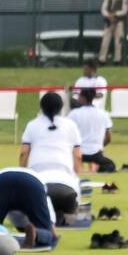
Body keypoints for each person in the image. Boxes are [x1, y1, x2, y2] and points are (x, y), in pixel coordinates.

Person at [21, 91, 83, 222]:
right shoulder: (70, 125)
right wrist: (75, 177)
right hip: (67, 188)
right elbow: (78, 156)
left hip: (37, 187)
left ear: (41, 107)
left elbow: (24, 153)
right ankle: (58, 213)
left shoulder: (32, 125)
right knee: (70, 209)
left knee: (35, 206)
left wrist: (24, 174)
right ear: (61, 107)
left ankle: (49, 213)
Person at [0, 166, 56, 248]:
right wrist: (49, 234)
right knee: (46, 233)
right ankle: (37, 233)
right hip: (31, 183)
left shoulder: (16, 218)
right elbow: (51, 226)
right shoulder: (43, 188)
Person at [71, 88, 115, 173]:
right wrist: (100, 145)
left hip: (78, 153)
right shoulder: (103, 114)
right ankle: (94, 170)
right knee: (110, 165)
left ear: (82, 97)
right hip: (96, 154)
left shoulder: (74, 114)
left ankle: (81, 170)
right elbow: (109, 138)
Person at [99, 0, 128, 64]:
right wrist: (108, 16)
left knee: (118, 42)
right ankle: (102, 60)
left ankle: (117, 60)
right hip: (109, 21)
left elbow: (124, 10)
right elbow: (103, 8)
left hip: (119, 22)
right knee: (105, 41)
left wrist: (115, 14)